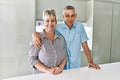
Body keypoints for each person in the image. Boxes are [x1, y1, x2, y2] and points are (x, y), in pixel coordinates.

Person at [32, 5, 100, 69]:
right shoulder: (57, 26)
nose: (70, 19)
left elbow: (85, 45)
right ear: (63, 16)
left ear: (75, 16)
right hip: (61, 67)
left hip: (75, 66)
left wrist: (90, 61)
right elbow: (45, 31)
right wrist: (35, 34)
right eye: (67, 16)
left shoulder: (80, 27)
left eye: (72, 16)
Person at [29, 9, 66, 75]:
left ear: (56, 22)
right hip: (41, 76)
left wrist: (60, 68)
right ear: (43, 22)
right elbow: (32, 59)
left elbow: (65, 57)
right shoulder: (38, 38)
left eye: (52, 21)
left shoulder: (61, 38)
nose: (50, 23)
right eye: (47, 21)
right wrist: (48, 70)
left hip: (57, 76)